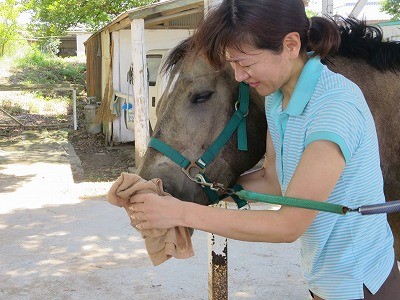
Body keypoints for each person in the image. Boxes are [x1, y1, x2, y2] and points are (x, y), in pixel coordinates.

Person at [130, 0, 400, 299]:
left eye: (246, 63)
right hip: (325, 280)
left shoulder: (334, 107)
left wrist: (180, 213)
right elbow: (273, 180)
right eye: (232, 63)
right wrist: (182, 188)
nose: (238, 76)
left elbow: (287, 225)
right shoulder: (276, 99)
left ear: (290, 44)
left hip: (358, 284)